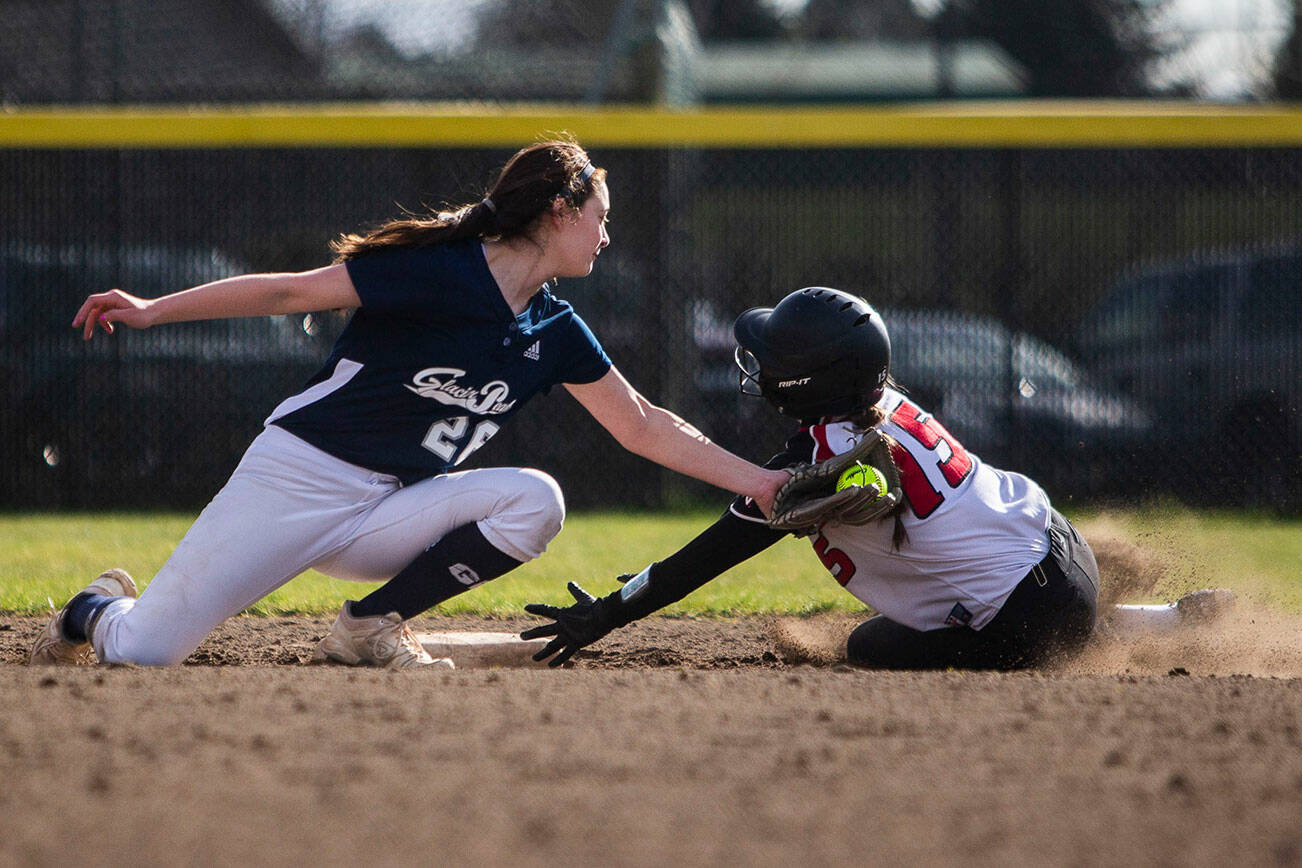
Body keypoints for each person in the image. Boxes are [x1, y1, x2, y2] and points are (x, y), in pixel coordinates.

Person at [30, 137, 789, 669]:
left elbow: (643, 425)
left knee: (535, 501)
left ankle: (367, 625)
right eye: (600, 216)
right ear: (559, 211)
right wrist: (154, 307)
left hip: (389, 508)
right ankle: (95, 608)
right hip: (297, 477)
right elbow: (291, 291)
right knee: (146, 652)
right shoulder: (439, 270)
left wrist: (762, 484)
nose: (606, 234)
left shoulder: (555, 328)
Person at [522, 287, 1231, 670]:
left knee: (869, 644)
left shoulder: (811, 468)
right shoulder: (884, 402)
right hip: (1057, 544)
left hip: (1029, 614)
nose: (759, 367)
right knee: (977, 596)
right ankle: (1169, 621)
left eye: (771, 359)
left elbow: (706, 557)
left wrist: (608, 614)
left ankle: (1091, 636)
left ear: (802, 381)